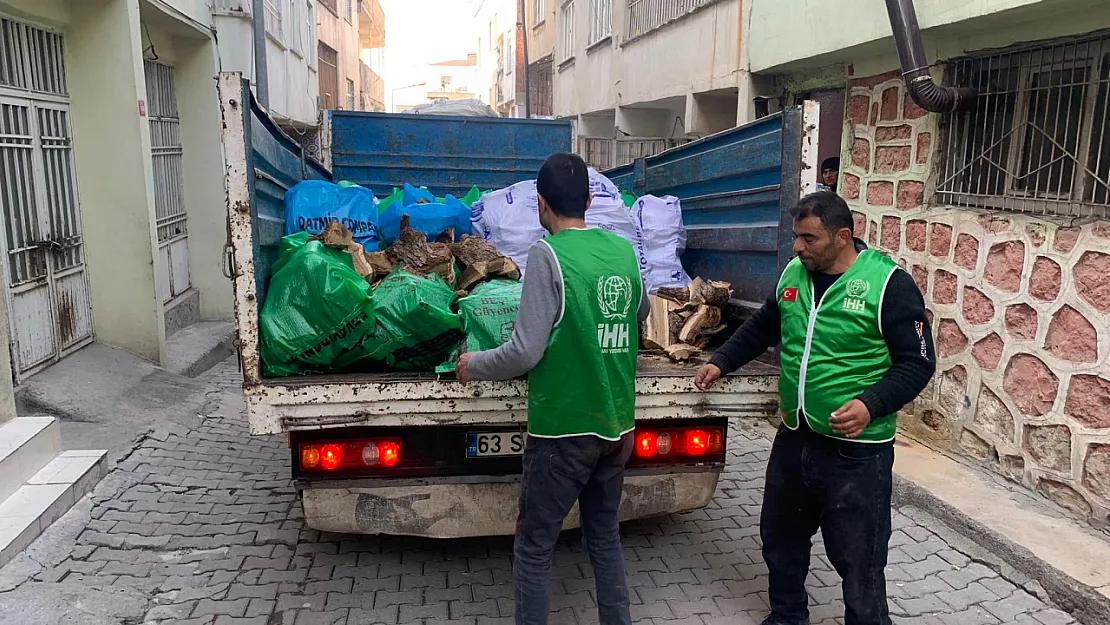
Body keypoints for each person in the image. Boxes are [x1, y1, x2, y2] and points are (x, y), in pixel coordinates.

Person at [694, 191, 935, 625]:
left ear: (843, 237)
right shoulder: (793, 275)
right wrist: (721, 361)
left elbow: (918, 362)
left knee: (859, 561)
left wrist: (870, 404)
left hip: (856, 454)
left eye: (809, 239)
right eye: (795, 237)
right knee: (780, 540)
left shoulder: (889, 285)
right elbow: (764, 325)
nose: (798, 248)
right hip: (795, 437)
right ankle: (787, 617)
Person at [457, 152, 649, 625]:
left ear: (540, 204)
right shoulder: (622, 249)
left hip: (564, 429)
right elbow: (641, 312)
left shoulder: (547, 255)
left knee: (535, 545)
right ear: (588, 199)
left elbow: (524, 352)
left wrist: (473, 365)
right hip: (616, 424)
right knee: (603, 536)